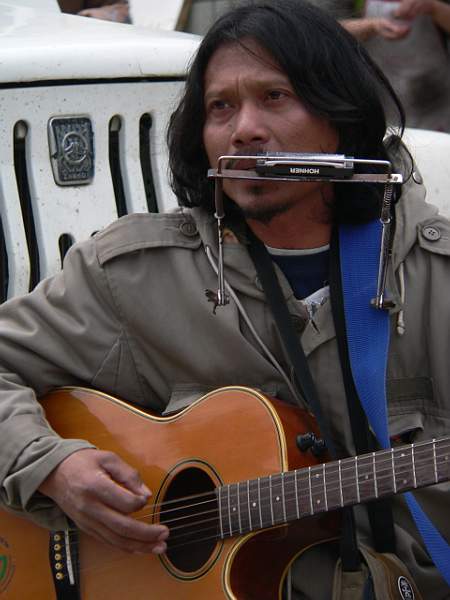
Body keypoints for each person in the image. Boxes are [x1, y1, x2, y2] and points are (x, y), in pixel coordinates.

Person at [0, 1, 449, 598]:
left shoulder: (434, 274)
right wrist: (50, 466)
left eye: (275, 97)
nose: (245, 130)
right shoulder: (134, 276)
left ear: (340, 115)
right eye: (221, 107)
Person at [316, 0, 450, 132]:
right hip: (382, 97)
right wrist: (371, 26)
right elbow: (324, 31)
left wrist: (433, 7)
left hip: (439, 96)